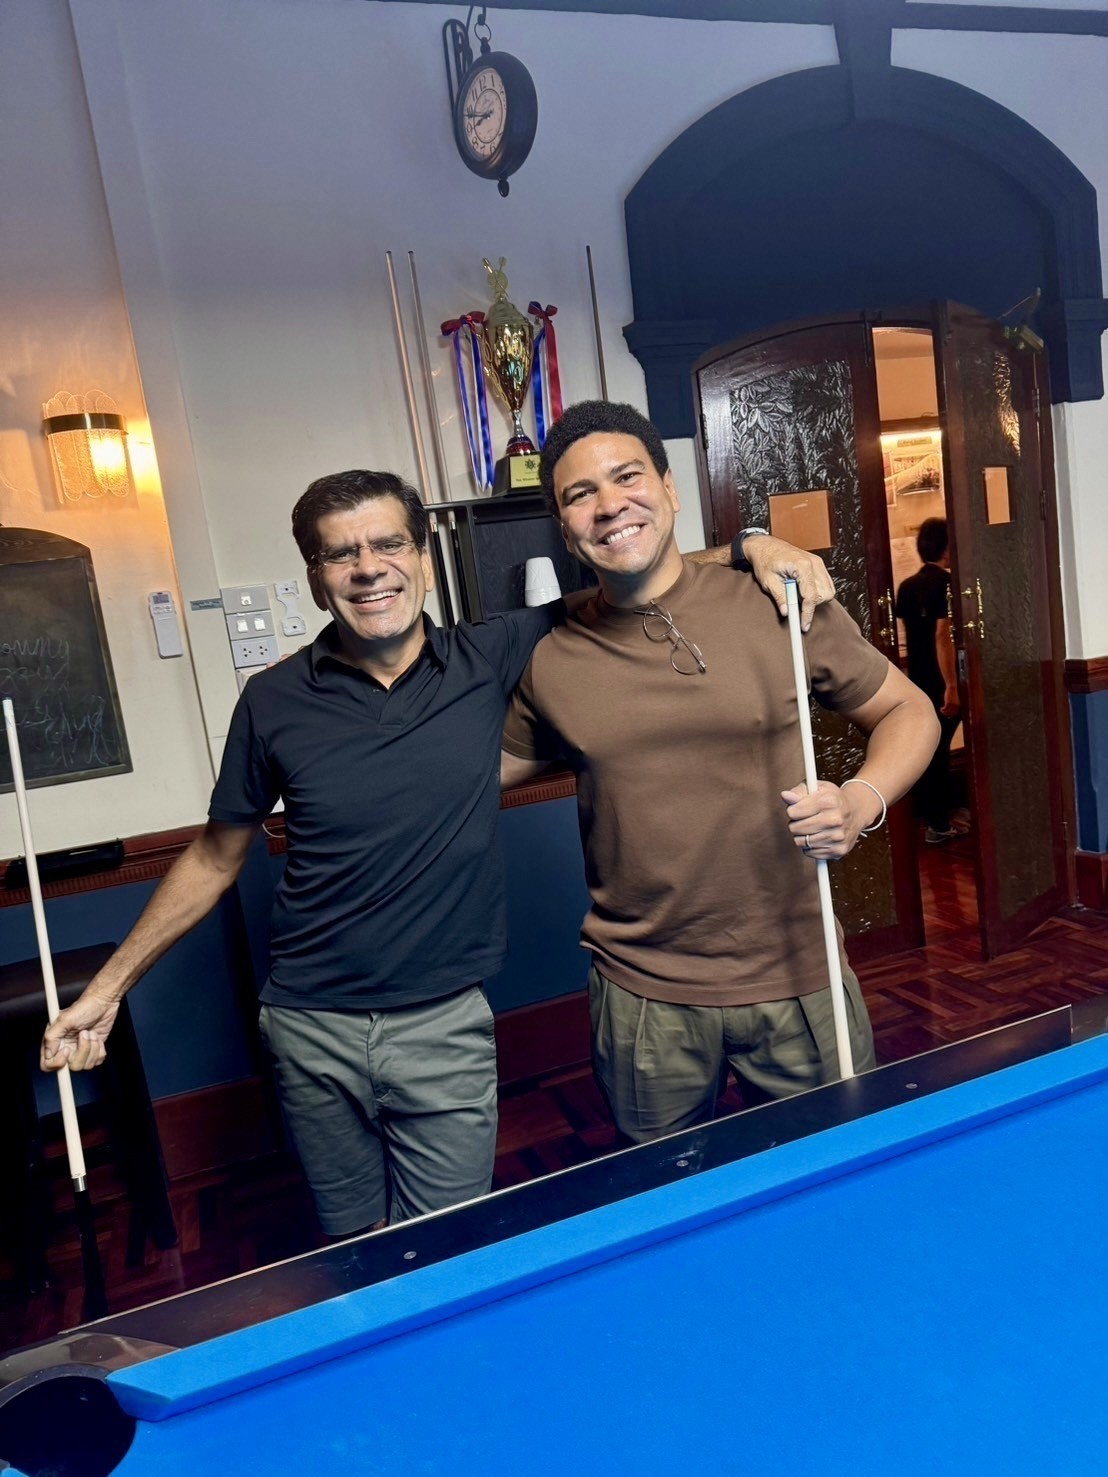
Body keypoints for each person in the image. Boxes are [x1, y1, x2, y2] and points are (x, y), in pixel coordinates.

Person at [40, 468, 831, 1236]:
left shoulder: (491, 654)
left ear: (422, 558)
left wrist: (748, 545)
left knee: (446, 1243)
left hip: (443, 1024)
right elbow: (215, 856)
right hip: (307, 1024)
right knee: (351, 1241)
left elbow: (634, 567)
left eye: (389, 544)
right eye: (341, 553)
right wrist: (107, 990)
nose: (368, 568)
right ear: (316, 579)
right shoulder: (272, 698)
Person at [501, 402, 940, 1145]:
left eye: (628, 477)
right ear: (563, 525)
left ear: (670, 487)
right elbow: (480, 776)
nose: (609, 504)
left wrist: (861, 798)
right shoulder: (549, 655)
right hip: (644, 996)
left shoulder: (779, 601)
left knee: (835, 1180)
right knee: (666, 1198)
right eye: (581, 494)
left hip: (798, 972)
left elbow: (910, 709)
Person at [894, 517, 967, 844]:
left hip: (917, 678)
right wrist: (951, 685)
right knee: (939, 751)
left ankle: (937, 815)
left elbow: (908, 634)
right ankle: (939, 823)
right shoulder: (947, 583)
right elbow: (942, 635)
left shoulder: (907, 586)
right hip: (942, 680)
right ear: (946, 547)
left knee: (930, 748)